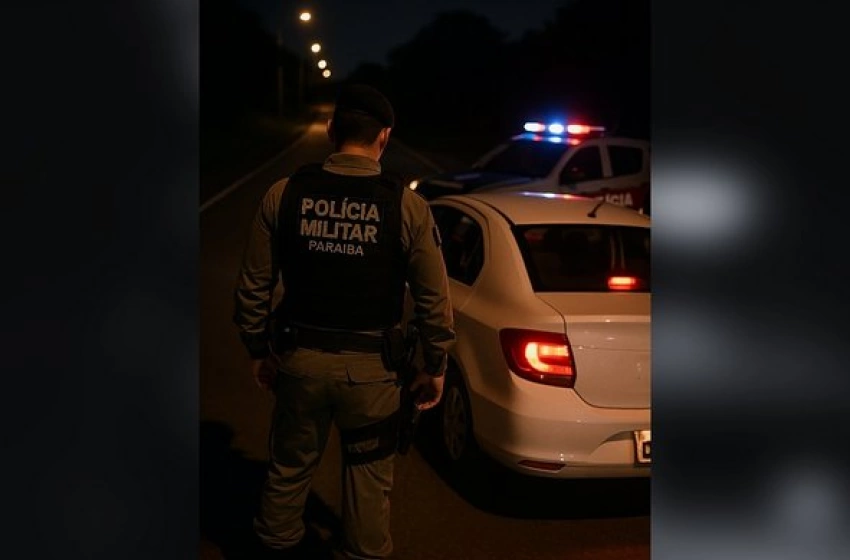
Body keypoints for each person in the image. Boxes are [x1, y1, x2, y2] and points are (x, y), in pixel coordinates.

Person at [233, 84, 456, 560]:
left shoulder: (284, 193)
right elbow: (434, 301)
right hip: (374, 377)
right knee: (369, 485)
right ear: (385, 137)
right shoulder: (406, 206)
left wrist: (257, 350)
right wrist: (434, 366)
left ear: (333, 130)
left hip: (299, 365)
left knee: (288, 471)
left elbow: (253, 286)